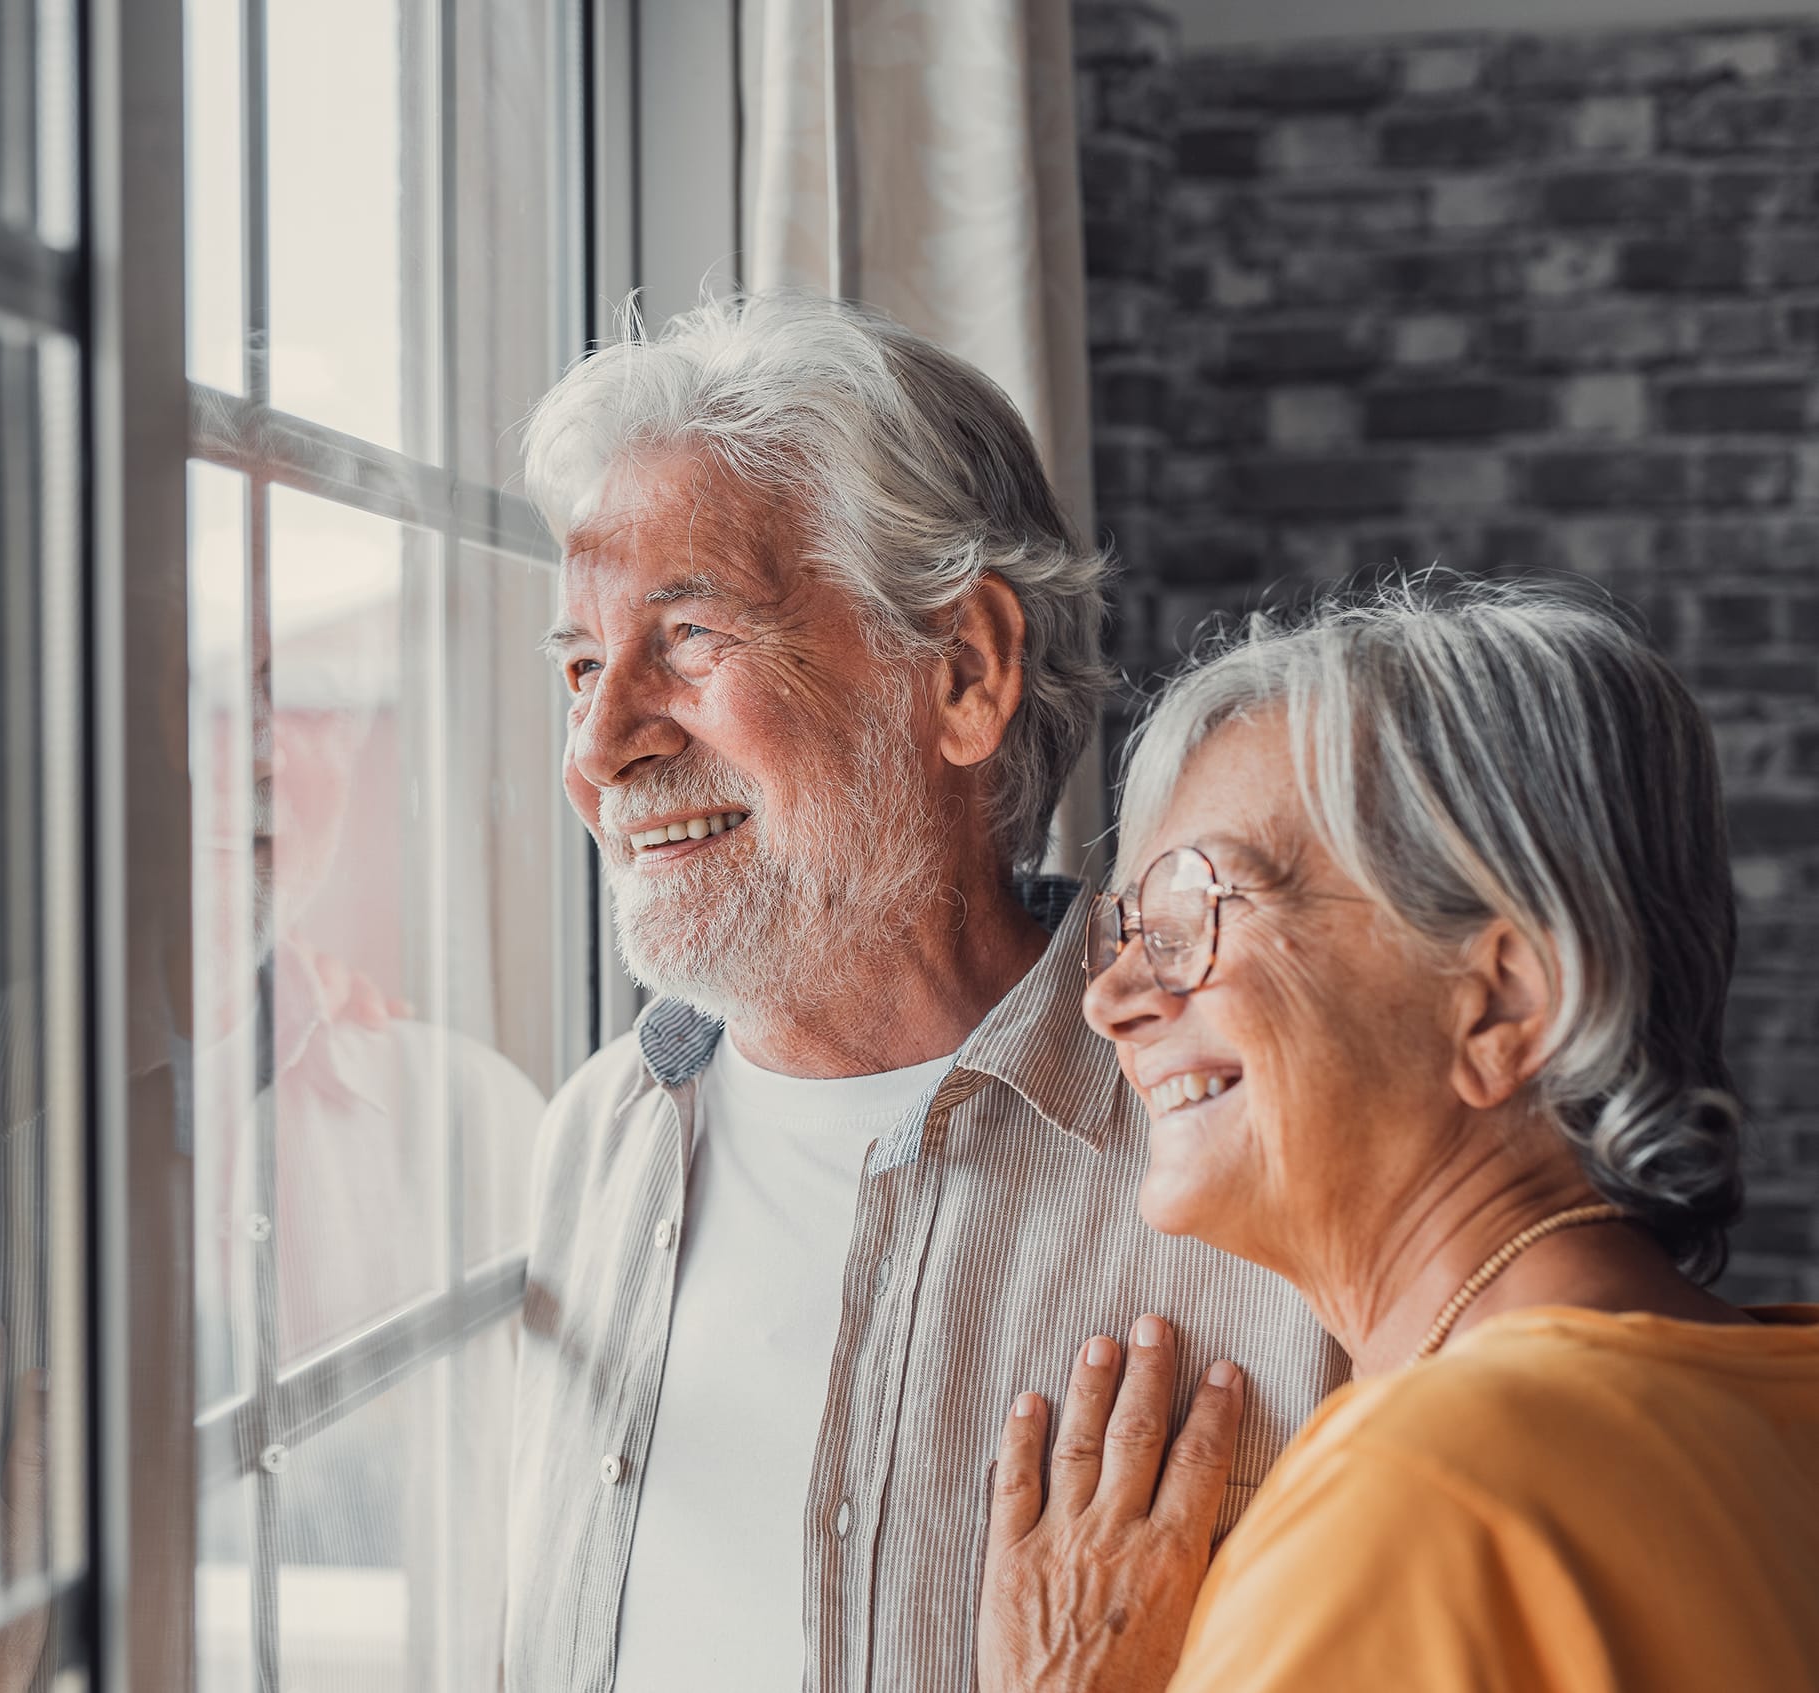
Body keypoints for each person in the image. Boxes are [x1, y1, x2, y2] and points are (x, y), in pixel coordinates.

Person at [503, 291, 1344, 1692]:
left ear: (963, 671)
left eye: (689, 637)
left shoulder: (1269, 1163)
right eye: (581, 665)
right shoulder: (594, 1139)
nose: (601, 746)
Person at [974, 579, 1819, 1693]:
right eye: (1127, 932)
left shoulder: (1420, 1498)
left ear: (1501, 1004)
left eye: (1193, 917)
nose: (1111, 997)